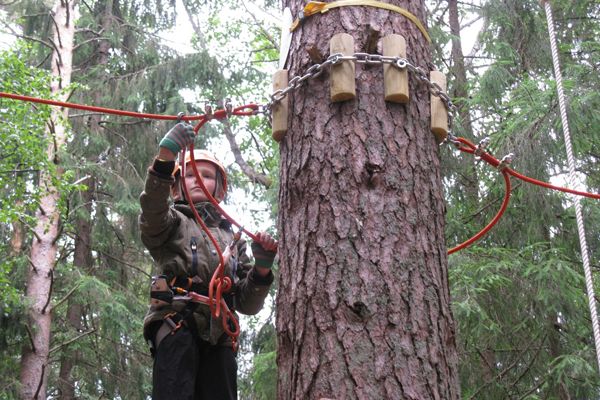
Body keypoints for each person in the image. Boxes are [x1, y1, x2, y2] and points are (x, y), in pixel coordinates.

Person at [139, 122, 276, 400]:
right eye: (189, 175)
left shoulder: (232, 240)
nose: (198, 180)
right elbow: (152, 212)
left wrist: (262, 269)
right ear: (176, 187)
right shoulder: (171, 223)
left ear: (219, 188)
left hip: (220, 335)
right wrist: (166, 157)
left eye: (206, 175)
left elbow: (246, 303)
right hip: (176, 323)